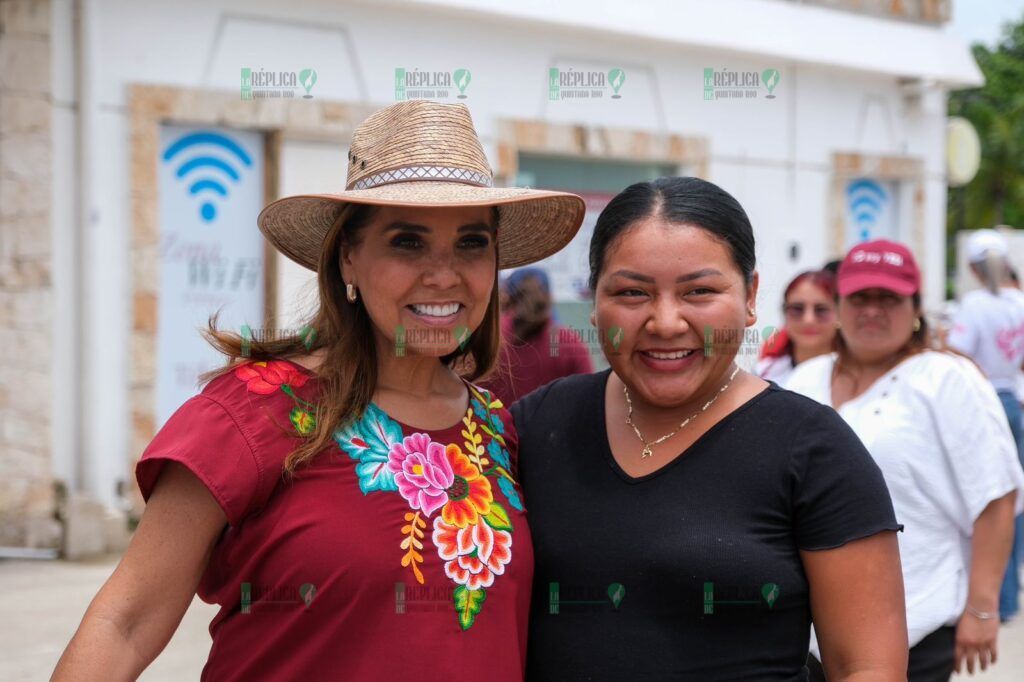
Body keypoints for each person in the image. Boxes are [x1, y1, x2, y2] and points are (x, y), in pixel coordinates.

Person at [52, 100, 586, 681]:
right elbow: (125, 624)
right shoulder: (253, 410)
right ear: (349, 259)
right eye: (407, 241)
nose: (443, 273)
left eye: (471, 242)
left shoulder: (496, 431)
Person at [513, 177, 907, 680]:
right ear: (595, 302)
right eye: (632, 292)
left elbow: (868, 667)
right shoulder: (537, 426)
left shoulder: (814, 450)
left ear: (750, 298)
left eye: (699, 291)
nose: (666, 322)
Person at [785, 238, 1024, 680]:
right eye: (860, 297)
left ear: (915, 306)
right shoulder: (805, 380)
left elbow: (995, 497)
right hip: (808, 635)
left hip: (914, 626)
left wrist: (982, 608)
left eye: (889, 298)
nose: (873, 310)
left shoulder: (946, 379)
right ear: (838, 304)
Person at [947, 228, 1024, 622]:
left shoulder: (976, 304)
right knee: (1013, 498)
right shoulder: (1019, 302)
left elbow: (959, 355)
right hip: (1014, 400)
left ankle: (1000, 599)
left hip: (983, 402)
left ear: (975, 269)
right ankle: (1012, 592)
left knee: (989, 502)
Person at [482, 267, 594, 405]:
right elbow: (587, 397)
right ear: (548, 297)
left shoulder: (487, 338)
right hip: (553, 425)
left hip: (493, 425)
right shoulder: (568, 342)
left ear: (508, 297)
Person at [756, 269, 838, 384]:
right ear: (784, 313)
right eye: (797, 309)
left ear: (840, 314)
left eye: (821, 310)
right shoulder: (764, 373)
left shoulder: (860, 375)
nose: (808, 320)